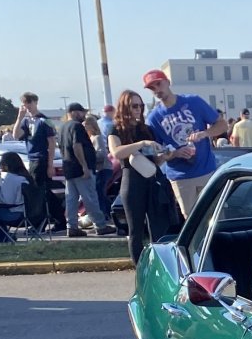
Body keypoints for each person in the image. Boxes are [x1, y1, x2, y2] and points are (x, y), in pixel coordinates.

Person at [142, 68, 227, 218]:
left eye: (158, 84)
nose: (156, 90)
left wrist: (204, 133)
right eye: (151, 88)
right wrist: (175, 153)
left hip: (207, 170)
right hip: (180, 178)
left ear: (168, 82)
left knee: (217, 218)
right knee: (193, 222)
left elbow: (222, 125)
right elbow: (158, 155)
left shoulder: (193, 101)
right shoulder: (154, 118)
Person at [109, 88, 181, 264]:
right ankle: (139, 266)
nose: (138, 110)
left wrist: (165, 156)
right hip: (132, 182)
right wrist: (140, 144)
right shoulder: (116, 129)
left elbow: (154, 161)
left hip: (151, 180)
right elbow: (116, 153)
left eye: (140, 106)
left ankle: (159, 265)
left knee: (158, 228)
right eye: (134, 106)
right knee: (136, 229)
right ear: (125, 107)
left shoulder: (146, 129)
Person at [57, 102, 115, 236]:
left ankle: (71, 226)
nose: (83, 115)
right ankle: (100, 225)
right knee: (90, 197)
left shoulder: (62, 128)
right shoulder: (76, 126)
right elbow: (77, 145)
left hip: (69, 168)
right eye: (81, 112)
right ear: (74, 112)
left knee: (71, 199)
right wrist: (84, 166)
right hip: (80, 168)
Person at [13, 92, 57, 196]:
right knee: (35, 187)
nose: (27, 106)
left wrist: (50, 165)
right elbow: (16, 135)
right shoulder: (26, 121)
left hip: (42, 158)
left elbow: (52, 142)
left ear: (35, 102)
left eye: (29, 102)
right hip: (31, 159)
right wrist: (19, 118)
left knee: (40, 188)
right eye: (24, 103)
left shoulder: (44, 120)